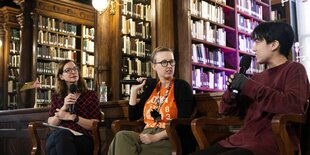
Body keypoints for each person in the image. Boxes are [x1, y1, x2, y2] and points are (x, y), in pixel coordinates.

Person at [191, 22, 310, 155]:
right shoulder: (257, 77)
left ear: (274, 45)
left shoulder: (294, 69)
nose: (253, 48)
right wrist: (231, 92)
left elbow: (293, 105)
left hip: (272, 143)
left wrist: (247, 85)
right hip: (241, 140)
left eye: (258, 42)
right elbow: (227, 111)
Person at [108, 47, 195, 155]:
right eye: (164, 62)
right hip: (146, 133)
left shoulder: (182, 87)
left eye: (171, 62)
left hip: (169, 136)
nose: (169, 66)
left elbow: (183, 122)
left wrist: (155, 137)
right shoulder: (151, 88)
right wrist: (134, 91)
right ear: (154, 66)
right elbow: (133, 117)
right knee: (121, 136)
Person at [46, 60, 101, 155]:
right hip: (61, 136)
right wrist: (64, 107)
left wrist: (71, 117)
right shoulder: (57, 96)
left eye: (75, 69)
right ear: (61, 76)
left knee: (56, 143)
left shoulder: (90, 95)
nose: (73, 72)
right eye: (68, 70)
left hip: (82, 137)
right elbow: (51, 124)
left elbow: (94, 124)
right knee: (58, 137)